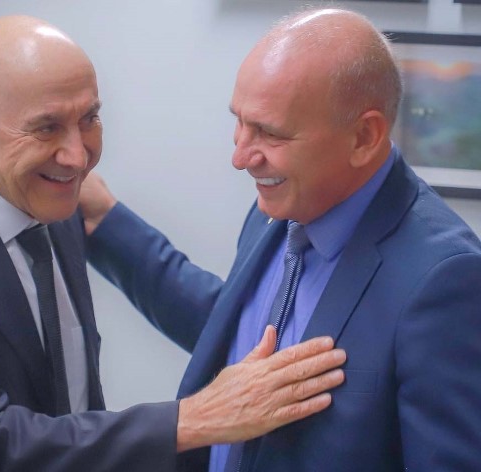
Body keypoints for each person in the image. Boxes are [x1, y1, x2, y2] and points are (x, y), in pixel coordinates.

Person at [0, 15, 347, 472]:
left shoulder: (51, 198)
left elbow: (71, 402)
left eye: (90, 119)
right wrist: (192, 419)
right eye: (46, 128)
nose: (78, 156)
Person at [80, 7, 481, 472]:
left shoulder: (445, 280)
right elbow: (236, 335)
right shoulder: (281, 207)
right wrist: (104, 222)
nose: (240, 157)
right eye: (239, 121)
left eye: (269, 133)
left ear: (363, 136)